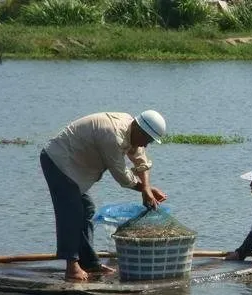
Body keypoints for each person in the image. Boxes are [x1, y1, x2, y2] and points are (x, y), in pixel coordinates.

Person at [40, 110, 168, 281]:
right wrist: (145, 190)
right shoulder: (113, 136)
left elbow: (141, 161)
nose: (145, 145)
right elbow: (121, 174)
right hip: (59, 161)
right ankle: (72, 267)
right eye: (147, 140)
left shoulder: (132, 129)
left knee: (86, 209)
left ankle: (89, 263)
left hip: (75, 167)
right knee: (71, 212)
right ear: (138, 128)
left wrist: (147, 188)